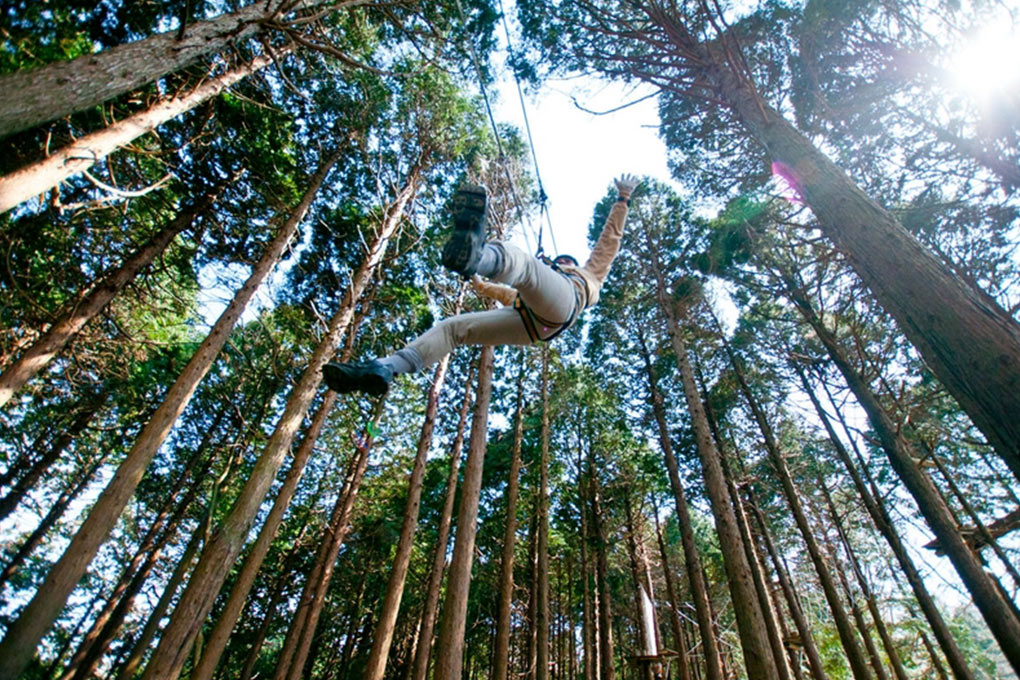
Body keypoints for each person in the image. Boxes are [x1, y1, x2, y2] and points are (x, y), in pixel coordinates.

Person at [322, 174, 640, 395]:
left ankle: (478, 256)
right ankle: (384, 368)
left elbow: (608, 242)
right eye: (562, 261)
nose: (563, 262)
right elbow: (508, 294)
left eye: (567, 261)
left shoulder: (587, 276)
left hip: (560, 309)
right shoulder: (545, 279)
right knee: (454, 328)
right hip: (529, 325)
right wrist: (481, 285)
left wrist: (622, 200)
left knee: (525, 265)